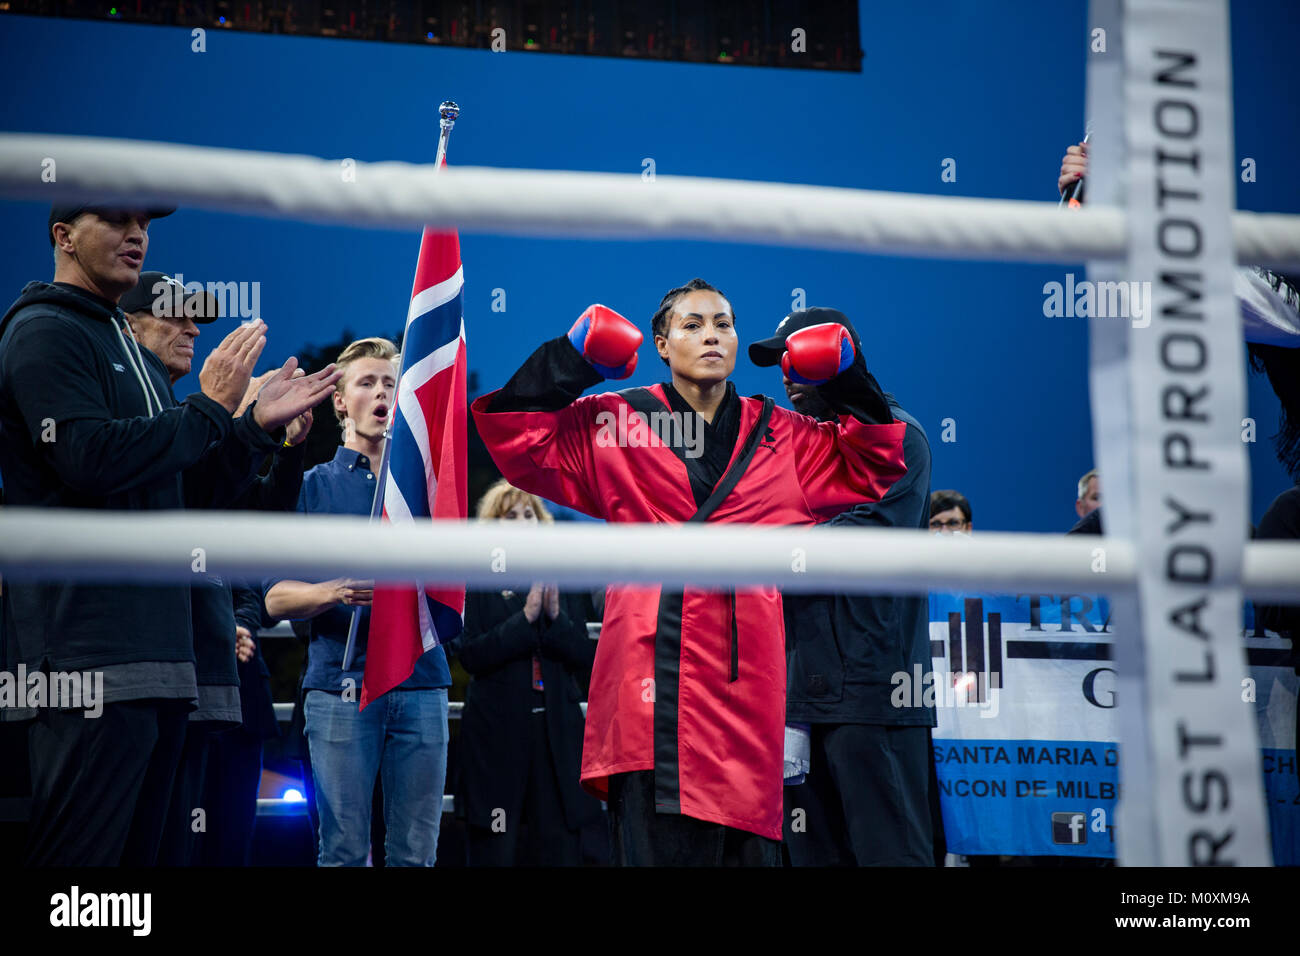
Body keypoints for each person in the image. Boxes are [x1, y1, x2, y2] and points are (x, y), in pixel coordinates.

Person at [471, 278, 907, 865]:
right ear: (660, 343)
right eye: (693, 324)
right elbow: (516, 438)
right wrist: (571, 360)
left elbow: (875, 461)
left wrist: (846, 376)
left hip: (745, 697)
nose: (712, 335)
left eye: (723, 324)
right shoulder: (616, 422)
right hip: (651, 690)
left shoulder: (782, 432)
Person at [0, 204, 336, 866]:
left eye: (144, 225)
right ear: (62, 236)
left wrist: (248, 430)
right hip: (88, 663)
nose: (137, 236)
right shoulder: (44, 331)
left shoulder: (132, 357)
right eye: (116, 220)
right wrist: (212, 407)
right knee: (80, 878)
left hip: (159, 664)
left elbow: (188, 496)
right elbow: (88, 459)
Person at [118, 271, 314, 864]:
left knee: (191, 842)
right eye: (175, 315)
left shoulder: (184, 422)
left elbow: (251, 524)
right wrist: (236, 420)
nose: (194, 327)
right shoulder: (145, 422)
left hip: (205, 680)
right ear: (129, 327)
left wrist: (279, 441)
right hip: (135, 673)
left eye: (197, 315)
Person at [265, 337, 453, 867]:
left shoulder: (430, 492)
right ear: (340, 401)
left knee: (416, 855)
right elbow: (273, 598)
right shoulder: (309, 488)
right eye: (367, 382)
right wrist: (335, 591)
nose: (381, 393)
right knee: (344, 851)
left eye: (390, 384)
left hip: (421, 685)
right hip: (338, 688)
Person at [760, 308, 937, 866]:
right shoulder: (796, 447)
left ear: (835, 358)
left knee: (889, 855)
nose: (785, 373)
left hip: (874, 692)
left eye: (795, 357)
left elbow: (861, 539)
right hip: (800, 694)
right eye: (779, 362)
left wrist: (762, 543)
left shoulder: (897, 435)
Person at [451, 479, 604, 866]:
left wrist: (553, 620)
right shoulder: (476, 579)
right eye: (510, 516)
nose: (523, 522)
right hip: (497, 736)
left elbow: (587, 656)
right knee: (495, 849)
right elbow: (469, 654)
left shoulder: (561, 576)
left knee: (559, 850)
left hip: (557, 737)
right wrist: (525, 620)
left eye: (529, 514)